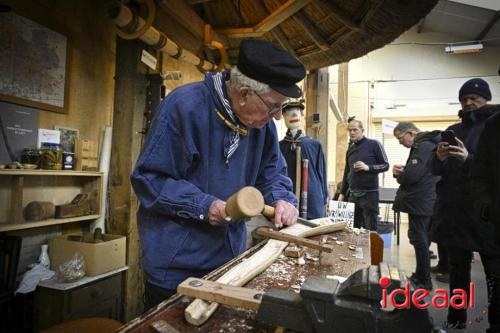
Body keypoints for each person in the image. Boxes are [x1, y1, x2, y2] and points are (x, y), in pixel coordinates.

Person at [131, 39, 305, 310]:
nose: (278, 117)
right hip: (177, 265)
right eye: (273, 106)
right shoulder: (184, 107)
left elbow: (272, 172)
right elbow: (150, 180)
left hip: (229, 261)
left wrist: (282, 198)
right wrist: (204, 206)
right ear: (244, 93)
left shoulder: (262, 125)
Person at [428, 78, 500, 331]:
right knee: (457, 269)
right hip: (454, 212)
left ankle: (495, 322)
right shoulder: (454, 129)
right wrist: (438, 158)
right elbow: (434, 170)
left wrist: (469, 159)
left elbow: (492, 170)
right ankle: (456, 318)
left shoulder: (493, 128)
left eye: (474, 98)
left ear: (486, 99)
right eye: (464, 98)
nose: (468, 102)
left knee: (494, 271)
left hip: (484, 212)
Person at [392, 122, 441, 290]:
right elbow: (421, 171)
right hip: (426, 199)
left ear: (411, 133)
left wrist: (399, 174)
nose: (400, 143)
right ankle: (422, 274)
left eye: (400, 138)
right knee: (422, 238)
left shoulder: (423, 146)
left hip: (420, 200)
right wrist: (407, 169)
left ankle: (423, 279)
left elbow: (412, 176)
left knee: (419, 239)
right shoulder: (429, 145)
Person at [279, 100, 328, 219]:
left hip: (311, 199)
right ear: (283, 117)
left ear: (301, 115)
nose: (294, 115)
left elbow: (321, 173)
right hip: (287, 199)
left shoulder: (314, 145)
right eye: (289, 113)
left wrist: (324, 197)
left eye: (297, 112)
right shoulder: (278, 147)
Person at [338, 119, 389, 230]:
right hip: (353, 195)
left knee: (370, 230)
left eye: (355, 130)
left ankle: (371, 247)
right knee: (353, 229)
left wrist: (368, 167)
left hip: (369, 195)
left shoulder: (374, 144)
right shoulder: (350, 149)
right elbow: (347, 172)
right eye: (350, 130)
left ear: (362, 130)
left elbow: (386, 165)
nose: (352, 133)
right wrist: (342, 193)